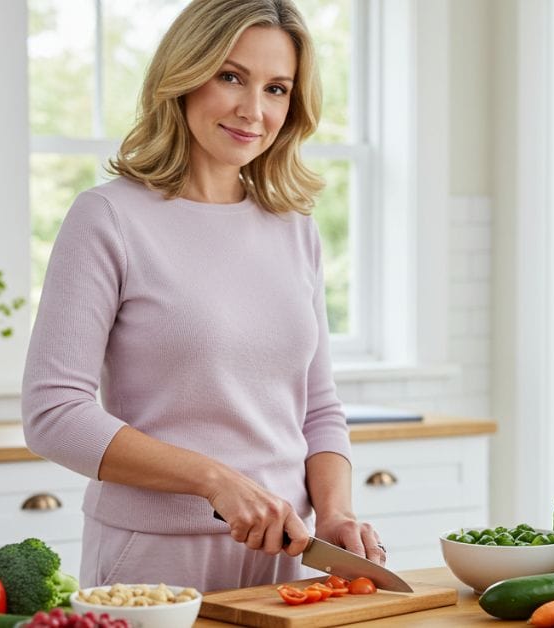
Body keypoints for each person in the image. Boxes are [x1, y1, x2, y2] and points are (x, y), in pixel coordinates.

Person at [21, 0, 384, 593]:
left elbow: (318, 408)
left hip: (287, 553)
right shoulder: (109, 217)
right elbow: (53, 413)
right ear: (185, 75)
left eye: (277, 89)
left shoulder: (295, 227)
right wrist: (216, 481)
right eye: (231, 76)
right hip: (154, 558)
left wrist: (336, 513)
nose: (253, 110)